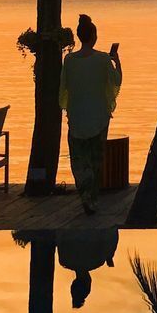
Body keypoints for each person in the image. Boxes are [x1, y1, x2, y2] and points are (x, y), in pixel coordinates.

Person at [58, 14, 121, 214]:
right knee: (96, 161)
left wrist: (69, 106)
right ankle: (92, 198)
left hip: (77, 116)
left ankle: (85, 195)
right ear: (93, 36)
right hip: (98, 118)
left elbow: (64, 88)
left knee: (79, 160)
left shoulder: (69, 60)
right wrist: (117, 62)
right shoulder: (103, 59)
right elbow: (115, 81)